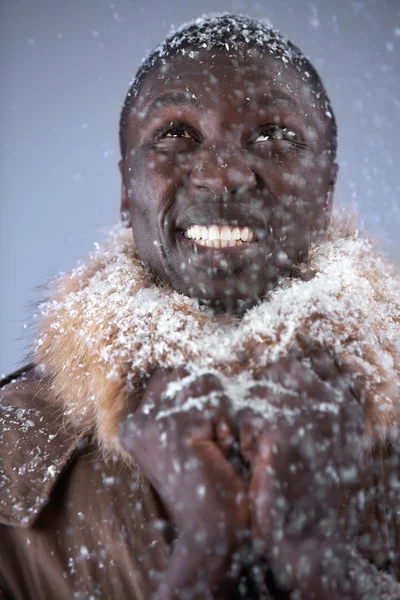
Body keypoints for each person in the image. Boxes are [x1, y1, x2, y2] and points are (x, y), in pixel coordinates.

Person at [1, 12, 400, 600]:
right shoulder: (12, 445)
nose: (223, 174)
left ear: (327, 190)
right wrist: (206, 553)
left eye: (273, 136)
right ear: (125, 189)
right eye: (176, 134)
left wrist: (312, 554)